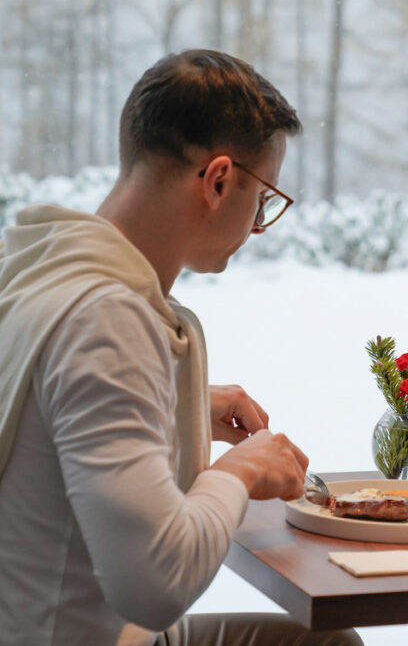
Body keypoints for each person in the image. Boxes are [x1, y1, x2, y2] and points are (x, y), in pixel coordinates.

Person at [0, 50, 361, 645]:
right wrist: (240, 472)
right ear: (219, 181)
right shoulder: (108, 319)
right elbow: (154, 584)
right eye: (264, 199)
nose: (257, 226)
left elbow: (53, 406)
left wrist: (179, 401)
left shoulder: (44, 266)